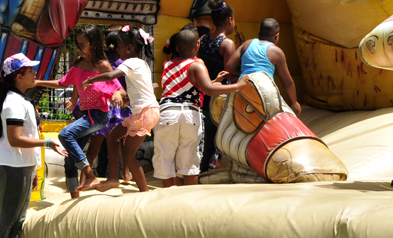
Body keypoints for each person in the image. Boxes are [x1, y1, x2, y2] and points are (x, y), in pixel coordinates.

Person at [0, 53, 67, 238]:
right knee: (6, 219)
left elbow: (26, 135)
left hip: (21, 167)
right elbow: (15, 139)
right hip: (12, 167)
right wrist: (48, 143)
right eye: (30, 70)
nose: (34, 73)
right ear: (19, 76)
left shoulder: (20, 99)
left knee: (17, 219)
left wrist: (33, 170)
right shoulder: (13, 102)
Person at [153, 29, 248, 187]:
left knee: (165, 159)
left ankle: (168, 197)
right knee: (189, 162)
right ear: (197, 45)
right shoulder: (196, 65)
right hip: (189, 114)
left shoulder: (167, 64)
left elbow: (191, 86)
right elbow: (208, 89)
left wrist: (214, 82)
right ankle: (190, 198)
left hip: (167, 113)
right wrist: (238, 85)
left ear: (176, 47)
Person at [34, 24, 120, 198]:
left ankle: (90, 175)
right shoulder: (79, 64)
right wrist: (37, 82)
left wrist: (117, 93)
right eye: (77, 45)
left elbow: (118, 88)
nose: (79, 49)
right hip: (85, 114)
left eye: (82, 45)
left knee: (65, 134)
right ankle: (74, 197)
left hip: (99, 115)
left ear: (94, 44)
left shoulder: (103, 66)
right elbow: (63, 83)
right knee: (69, 158)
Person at [85, 26, 159, 192]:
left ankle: (144, 191)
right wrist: (125, 101)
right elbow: (139, 91)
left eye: (119, 47)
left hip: (144, 112)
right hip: (146, 110)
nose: (117, 50)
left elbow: (111, 75)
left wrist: (91, 79)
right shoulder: (142, 63)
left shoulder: (130, 62)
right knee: (112, 137)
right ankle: (113, 178)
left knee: (128, 154)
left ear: (129, 48)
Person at [225, 18, 301, 116]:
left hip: (243, 91)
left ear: (259, 33)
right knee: (285, 119)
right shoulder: (277, 52)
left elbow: (229, 67)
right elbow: (287, 83)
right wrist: (294, 102)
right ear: (276, 36)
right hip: (265, 93)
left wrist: (245, 72)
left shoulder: (247, 44)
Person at [197, 0, 237, 171]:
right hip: (221, 98)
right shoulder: (227, 44)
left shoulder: (203, 39)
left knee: (208, 140)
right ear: (230, 20)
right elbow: (229, 71)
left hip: (204, 94)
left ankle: (203, 171)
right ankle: (209, 172)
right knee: (218, 139)